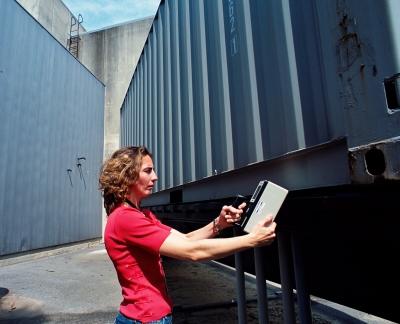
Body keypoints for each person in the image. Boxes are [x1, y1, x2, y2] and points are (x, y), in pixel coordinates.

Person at [99, 146, 277, 324]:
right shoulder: (126, 219)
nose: (155, 176)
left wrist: (219, 224)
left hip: (147, 316)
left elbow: (186, 239)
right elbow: (192, 252)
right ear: (127, 175)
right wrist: (252, 239)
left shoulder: (141, 215)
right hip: (146, 319)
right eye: (148, 171)